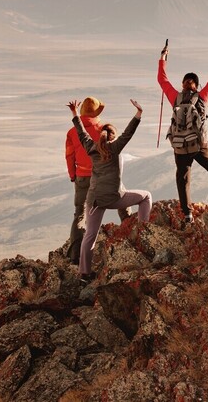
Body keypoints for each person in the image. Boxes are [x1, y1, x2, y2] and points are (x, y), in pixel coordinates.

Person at [67, 98, 152, 283]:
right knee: (146, 197)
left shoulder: (91, 147)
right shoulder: (115, 148)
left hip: (94, 199)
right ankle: (142, 231)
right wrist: (138, 114)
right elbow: (128, 133)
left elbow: (81, 133)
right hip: (114, 198)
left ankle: (84, 273)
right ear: (113, 137)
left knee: (90, 235)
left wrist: (75, 113)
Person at [158, 39, 208, 224]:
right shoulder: (202, 97)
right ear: (196, 85)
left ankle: (187, 214)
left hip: (180, 145)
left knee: (182, 177)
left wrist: (163, 58)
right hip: (199, 144)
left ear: (183, 84)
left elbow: (162, 80)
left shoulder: (175, 97)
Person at [64, 96, 129, 265]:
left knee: (79, 214)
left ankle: (75, 256)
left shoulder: (72, 132)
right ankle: (131, 232)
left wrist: (73, 175)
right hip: (105, 176)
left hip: (82, 177)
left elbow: (69, 156)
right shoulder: (104, 129)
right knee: (122, 201)